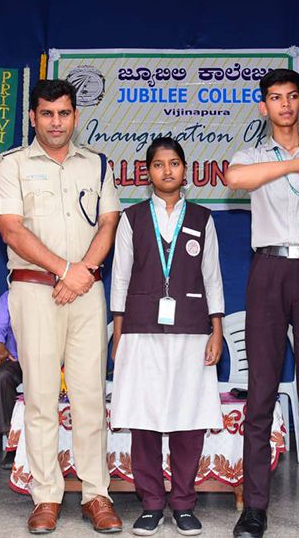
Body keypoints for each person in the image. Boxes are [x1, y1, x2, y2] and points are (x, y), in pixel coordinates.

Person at [0, 79, 122, 534]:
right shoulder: (11, 165)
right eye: (46, 114)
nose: (56, 122)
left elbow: (109, 223)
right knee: (42, 398)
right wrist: (67, 270)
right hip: (34, 291)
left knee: (89, 396)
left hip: (86, 291)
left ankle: (96, 494)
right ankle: (46, 496)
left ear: (75, 116)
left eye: (64, 113)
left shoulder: (97, 164)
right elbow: (11, 229)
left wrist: (81, 272)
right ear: (32, 117)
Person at [224, 68, 299, 538]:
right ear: (264, 106)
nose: (286, 105)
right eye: (276, 98)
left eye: (293, 97)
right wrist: (295, 166)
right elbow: (234, 178)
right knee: (260, 394)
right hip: (269, 270)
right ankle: (254, 507)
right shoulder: (253, 155)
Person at [109, 137, 224, 537]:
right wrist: (118, 334)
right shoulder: (132, 218)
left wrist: (216, 330)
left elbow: (213, 277)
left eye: (174, 163)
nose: (167, 170)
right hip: (140, 330)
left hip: (192, 330)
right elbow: (120, 277)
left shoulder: (203, 218)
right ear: (148, 173)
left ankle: (184, 504)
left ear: (185, 169)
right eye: (159, 165)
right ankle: (151, 504)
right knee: (144, 418)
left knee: (187, 419)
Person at [0, 289, 23, 469]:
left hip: (49, 359)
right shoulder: (10, 296)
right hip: (17, 359)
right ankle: (13, 443)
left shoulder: (57, 292)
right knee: (1, 376)